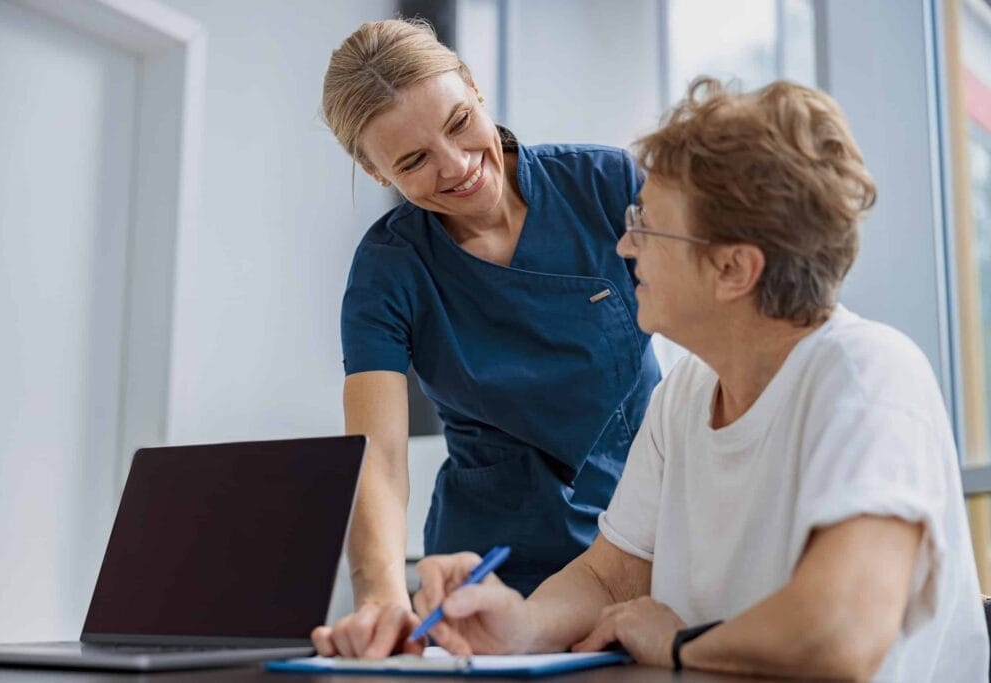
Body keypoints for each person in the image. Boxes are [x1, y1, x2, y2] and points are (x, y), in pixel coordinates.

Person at [409, 77, 990, 680]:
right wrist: (521, 626)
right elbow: (611, 573)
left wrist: (681, 643)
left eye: (649, 224)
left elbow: (840, 633)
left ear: (732, 268)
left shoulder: (868, 376)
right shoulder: (685, 395)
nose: (627, 244)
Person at [310, 19, 661, 658]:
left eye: (458, 122)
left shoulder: (606, 186)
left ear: (473, 87)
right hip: (490, 574)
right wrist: (381, 594)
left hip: (641, 549)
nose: (458, 166)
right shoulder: (390, 268)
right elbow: (378, 457)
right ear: (375, 169)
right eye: (413, 160)